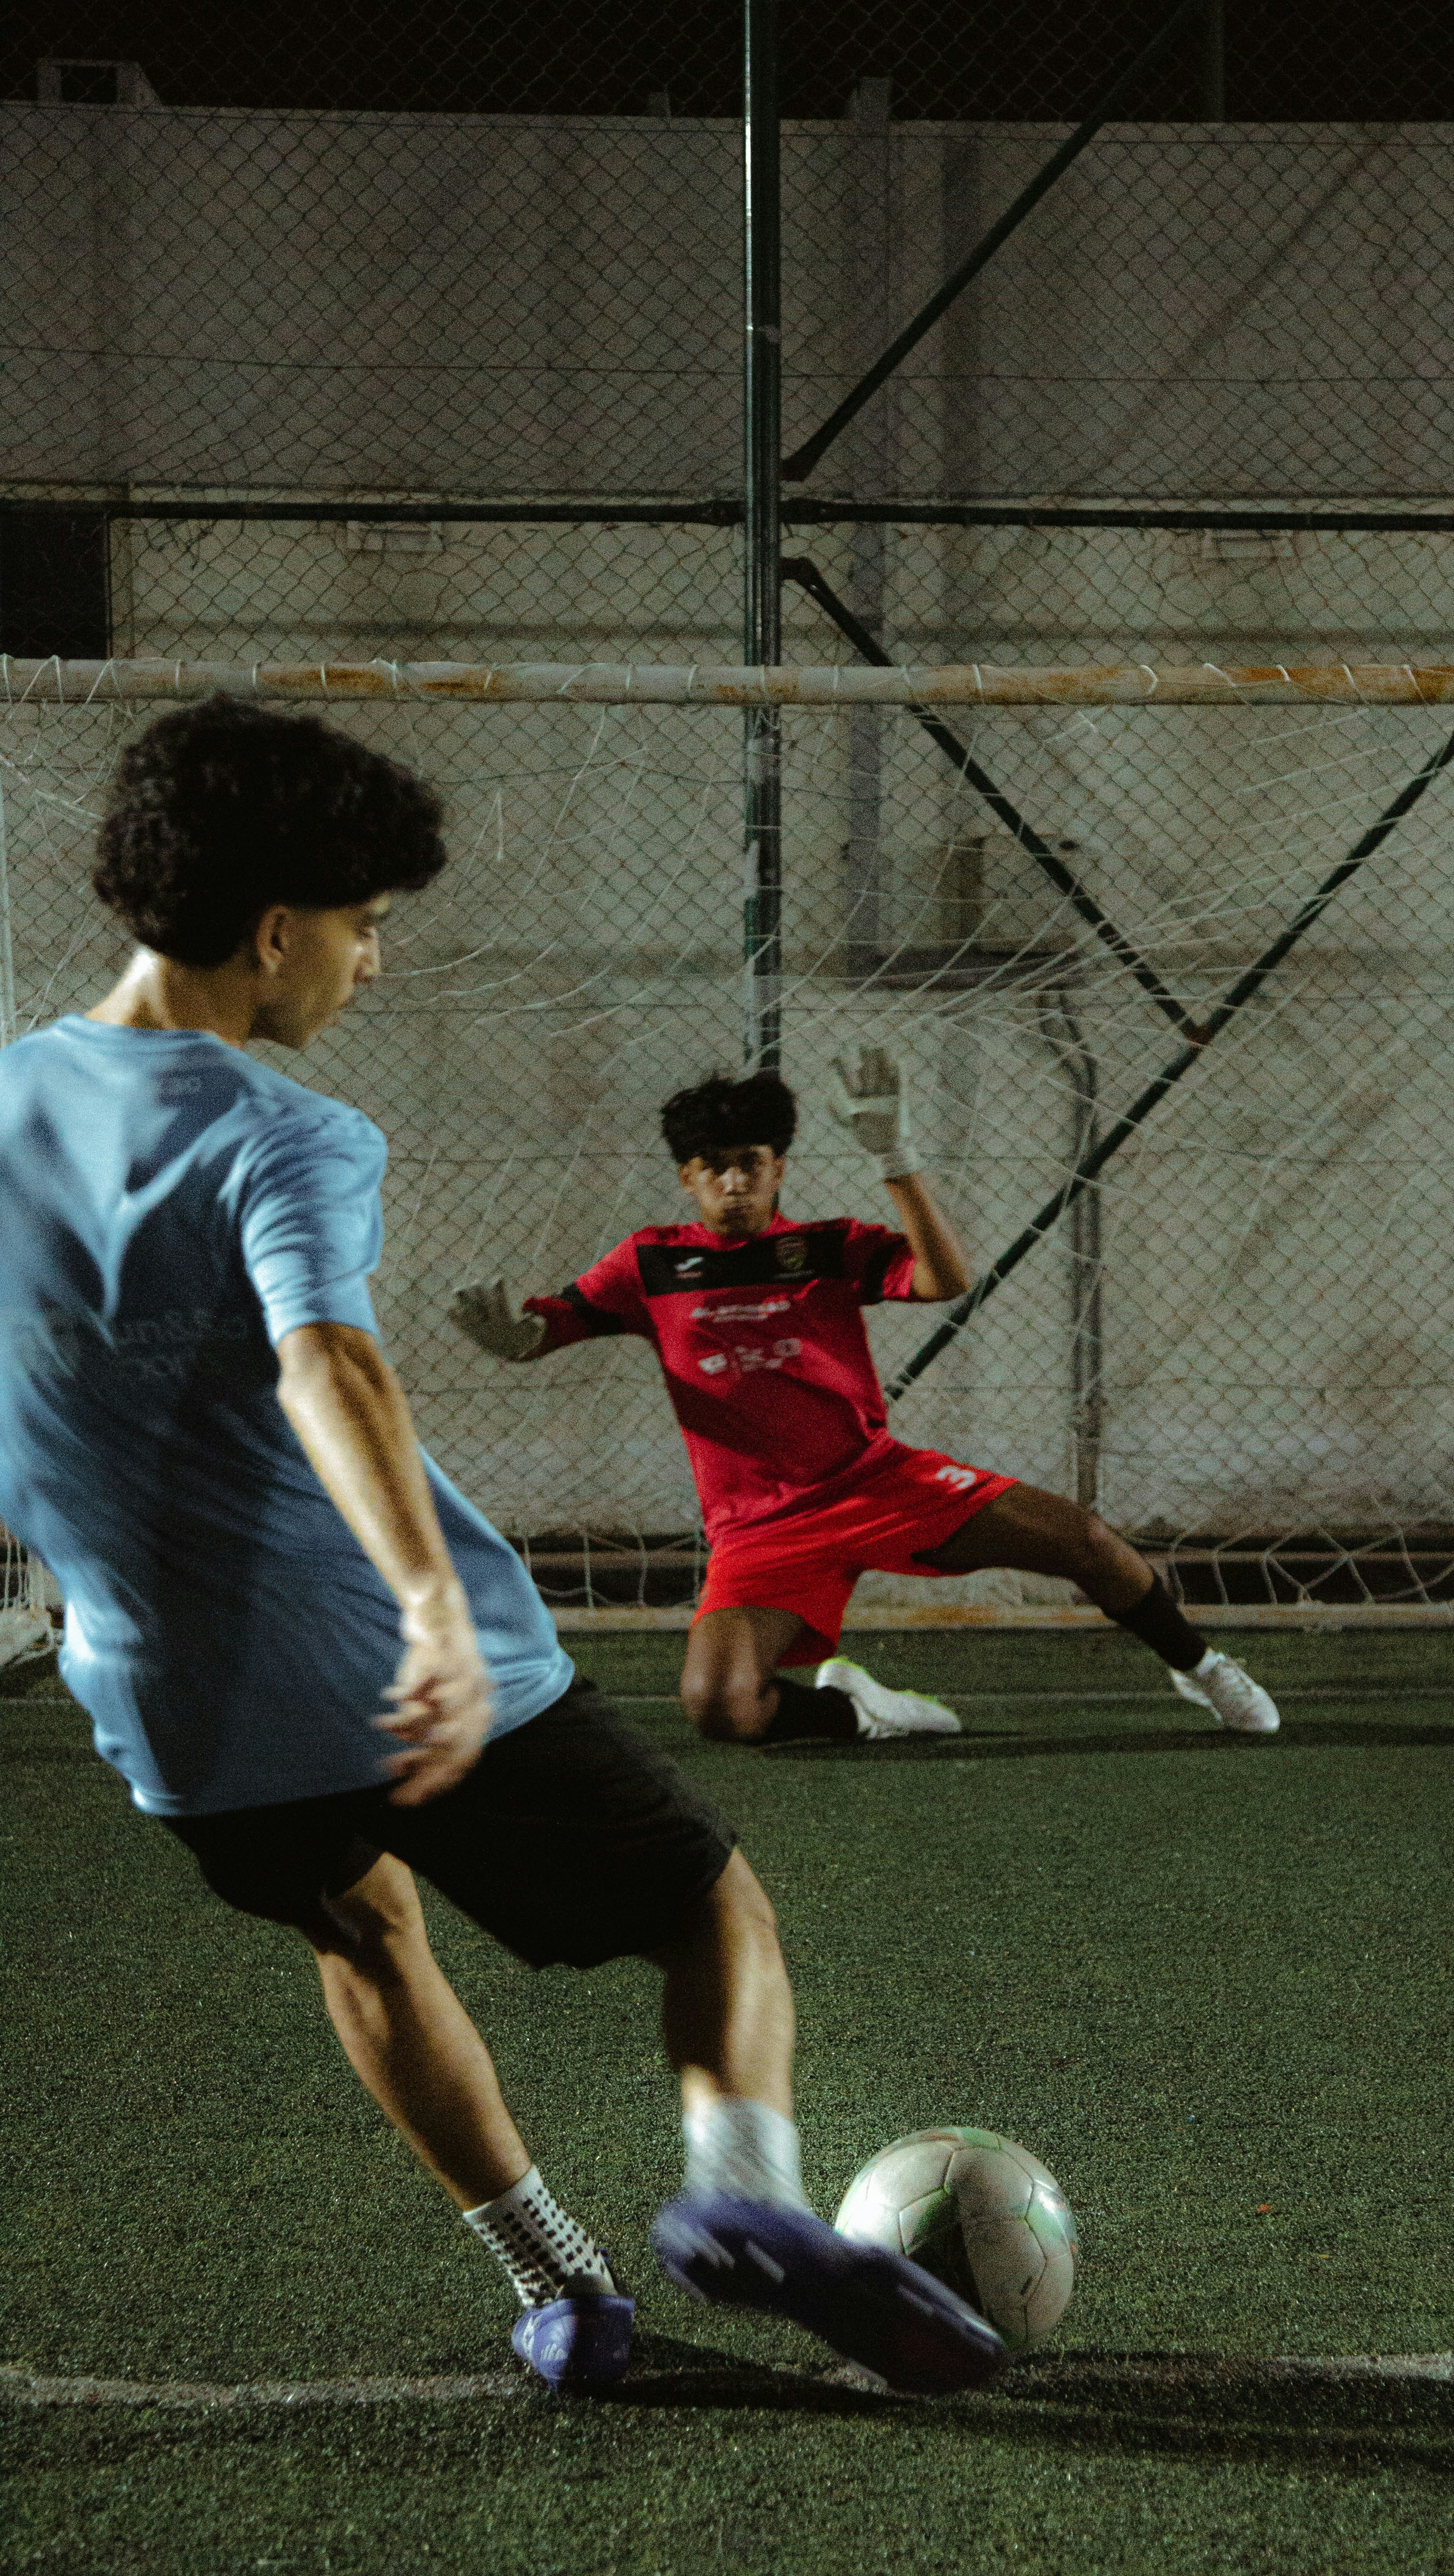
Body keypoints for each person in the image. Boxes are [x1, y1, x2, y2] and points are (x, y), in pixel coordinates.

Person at [0, 696, 1000, 2399]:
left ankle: (560, 2291)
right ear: (274, 931)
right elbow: (328, 1361)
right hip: (384, 1652)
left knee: (359, 1931)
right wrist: (428, 1611)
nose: (372, 963)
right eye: (365, 924)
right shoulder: (284, 1133)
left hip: (171, 1701)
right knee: (709, 1905)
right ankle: (747, 2204)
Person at [450, 1059, 1281, 1747]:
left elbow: (944, 1280)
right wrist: (518, 1339)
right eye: (714, 1167)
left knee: (1086, 1541)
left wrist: (897, 1158)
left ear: (778, 1168)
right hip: (761, 1529)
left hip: (876, 1483)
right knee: (719, 1708)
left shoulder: (828, 1247)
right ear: (688, 1178)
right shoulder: (649, 1264)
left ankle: (1202, 1669)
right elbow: (549, 1328)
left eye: (751, 1162)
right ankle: (864, 1711)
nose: (734, 1181)